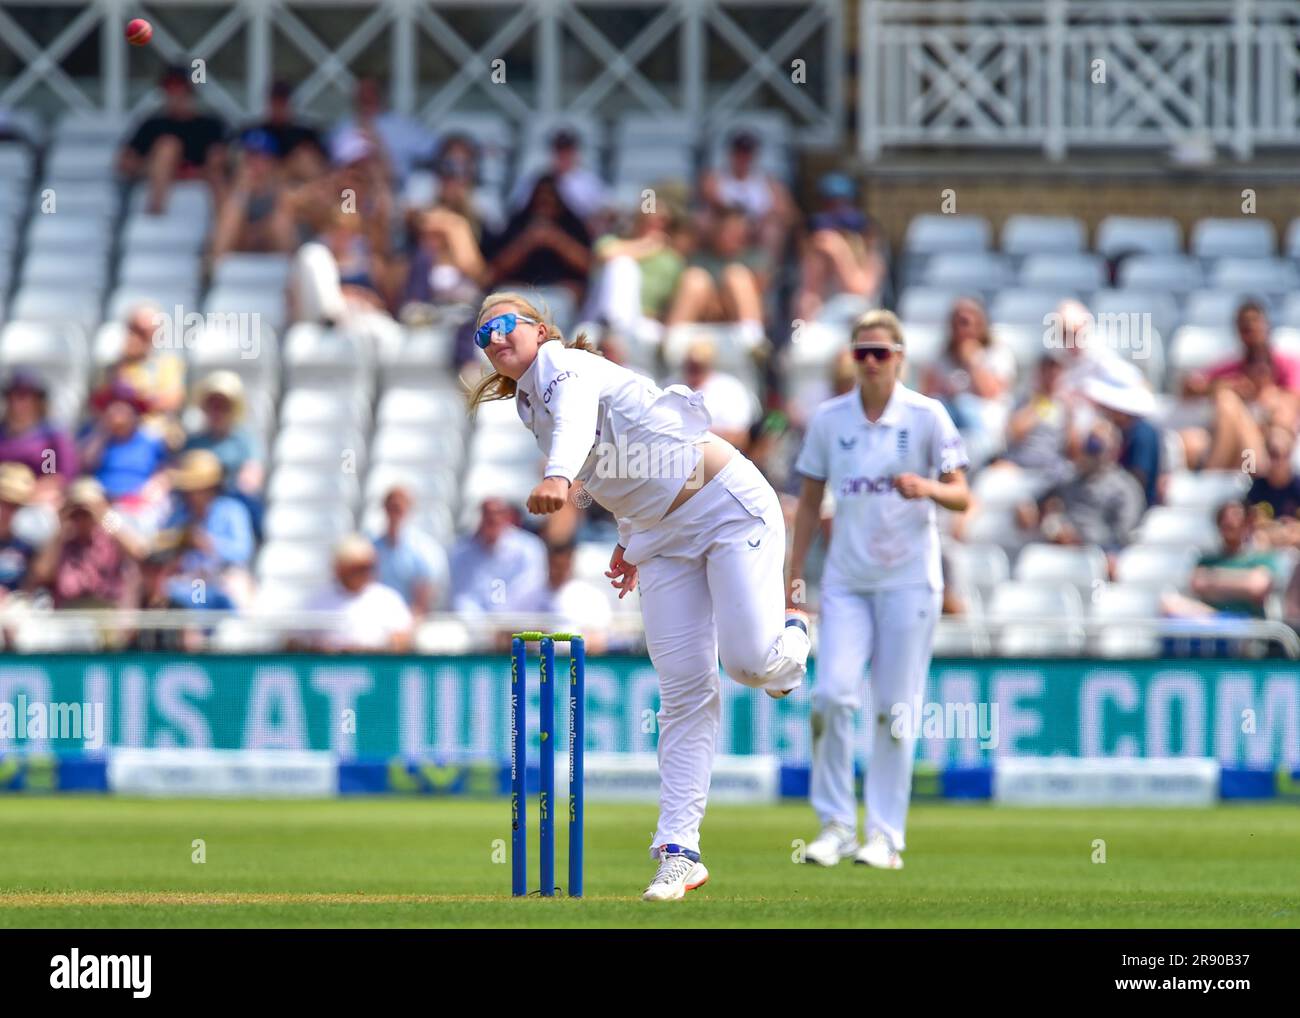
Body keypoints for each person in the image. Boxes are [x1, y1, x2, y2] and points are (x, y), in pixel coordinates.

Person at [467, 291, 809, 901]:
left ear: (540, 329)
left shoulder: (567, 368)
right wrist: (629, 539)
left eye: (502, 325)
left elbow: (577, 435)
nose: (492, 339)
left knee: (750, 665)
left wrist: (556, 477)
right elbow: (616, 469)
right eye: (481, 334)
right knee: (683, 691)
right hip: (660, 536)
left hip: (727, 505)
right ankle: (679, 852)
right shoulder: (526, 403)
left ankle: (795, 632)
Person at [788, 310, 969, 870]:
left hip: (910, 580)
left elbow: (964, 496)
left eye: (880, 353)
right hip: (847, 580)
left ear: (900, 358)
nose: (870, 362)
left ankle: (885, 835)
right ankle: (836, 825)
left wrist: (929, 489)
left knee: (895, 711)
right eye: (861, 352)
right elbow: (810, 501)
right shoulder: (829, 419)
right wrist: (794, 578)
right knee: (830, 697)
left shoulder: (927, 415)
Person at [155, 450, 256, 612]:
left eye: (197, 488)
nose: (191, 495)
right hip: (194, 579)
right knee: (184, 596)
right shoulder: (180, 514)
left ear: (211, 487)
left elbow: (242, 551)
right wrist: (179, 543)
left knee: (238, 591)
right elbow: (161, 545)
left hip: (226, 577)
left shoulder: (232, 510)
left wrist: (209, 543)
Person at [118, 66, 228, 215]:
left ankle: (224, 227)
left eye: (180, 87)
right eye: (170, 87)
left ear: (190, 90)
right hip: (157, 178)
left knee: (218, 168)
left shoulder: (210, 124)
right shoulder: (153, 124)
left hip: (202, 177)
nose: (175, 93)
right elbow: (125, 160)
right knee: (168, 147)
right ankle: (156, 215)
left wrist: (194, 172)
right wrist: (158, 167)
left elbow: (223, 157)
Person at [921, 297, 1015, 469]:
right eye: (958, 322)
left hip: (985, 424)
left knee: (965, 404)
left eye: (967, 322)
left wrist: (973, 361)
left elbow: (992, 392)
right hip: (950, 419)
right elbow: (927, 395)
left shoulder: (997, 353)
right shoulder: (940, 355)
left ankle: (981, 460)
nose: (962, 328)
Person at [1162, 501, 1287, 620]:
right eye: (1224, 520)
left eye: (1236, 517)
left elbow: (1257, 586)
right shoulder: (1206, 560)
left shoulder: (1262, 558)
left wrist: (1212, 579)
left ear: (1247, 523)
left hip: (1249, 625)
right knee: (1169, 603)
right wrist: (1243, 583)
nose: (1229, 521)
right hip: (1214, 621)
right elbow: (1197, 583)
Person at [793, 173, 886, 321]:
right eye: (830, 204)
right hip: (823, 325)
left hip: (857, 325)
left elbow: (860, 294)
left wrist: (839, 251)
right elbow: (808, 295)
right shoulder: (818, 245)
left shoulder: (871, 253)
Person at [484, 175, 593, 300]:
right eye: (540, 199)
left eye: (550, 198)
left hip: (560, 292)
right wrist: (528, 241)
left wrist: (556, 239)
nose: (545, 202)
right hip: (520, 290)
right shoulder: (518, 224)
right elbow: (493, 272)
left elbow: (589, 267)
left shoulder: (573, 226)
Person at [300, 534, 414, 652]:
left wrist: (373, 649)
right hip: (330, 669)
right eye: (358, 567)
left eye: (369, 566)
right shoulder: (317, 600)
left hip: (375, 668)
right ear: (340, 568)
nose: (365, 572)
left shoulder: (388, 599)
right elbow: (295, 641)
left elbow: (404, 637)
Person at [209, 129, 298, 260]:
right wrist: (241, 189)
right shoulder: (233, 184)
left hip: (269, 240)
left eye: (262, 157)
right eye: (251, 156)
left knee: (280, 222)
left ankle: (294, 272)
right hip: (240, 240)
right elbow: (221, 216)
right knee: (230, 214)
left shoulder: (281, 184)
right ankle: (212, 273)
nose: (255, 163)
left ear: (272, 161)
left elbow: (285, 216)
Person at [448, 496, 546, 614]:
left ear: (507, 516)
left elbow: (528, 588)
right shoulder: (461, 551)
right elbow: (462, 595)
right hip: (474, 625)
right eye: (487, 513)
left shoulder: (529, 547)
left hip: (519, 622)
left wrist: (503, 621)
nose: (492, 518)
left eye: (497, 513)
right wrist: (481, 624)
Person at [513, 537, 612, 652]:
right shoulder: (526, 593)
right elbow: (509, 631)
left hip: (577, 661)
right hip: (535, 661)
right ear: (548, 562)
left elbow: (599, 638)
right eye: (555, 565)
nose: (558, 571)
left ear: (571, 563)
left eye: (563, 566)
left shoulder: (591, 596)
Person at [370, 484, 450, 617]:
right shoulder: (371, 548)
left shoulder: (425, 550)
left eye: (399, 508)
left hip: (413, 623)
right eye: (392, 507)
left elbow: (424, 599)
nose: (395, 512)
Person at [509, 128, 608, 228]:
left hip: (578, 232)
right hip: (544, 227)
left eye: (567, 150)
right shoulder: (537, 180)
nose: (563, 155)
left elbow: (604, 210)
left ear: (575, 152)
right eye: (559, 150)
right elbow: (519, 209)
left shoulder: (589, 181)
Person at [0, 370, 77, 498]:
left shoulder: (51, 436)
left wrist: (30, 492)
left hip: (38, 496)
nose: (18, 402)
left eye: (24, 396)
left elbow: (60, 475)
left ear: (37, 401)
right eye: (13, 396)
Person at [676, 339, 760, 452]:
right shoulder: (671, 385)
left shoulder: (730, 388)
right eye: (690, 364)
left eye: (699, 364)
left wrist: (692, 434)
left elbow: (739, 436)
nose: (694, 368)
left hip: (716, 458)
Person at [0, 463, 37, 598]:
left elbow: (30, 588)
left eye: (13, 506)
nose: (7, 512)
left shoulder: (25, 546)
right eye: (3, 503)